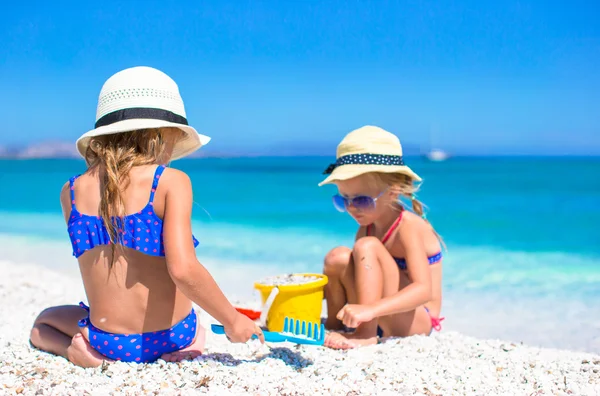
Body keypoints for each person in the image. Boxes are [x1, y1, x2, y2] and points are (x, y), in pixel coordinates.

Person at [29, 66, 264, 367]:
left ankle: (80, 355)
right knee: (198, 324)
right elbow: (184, 270)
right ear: (158, 135)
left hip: (108, 342)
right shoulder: (169, 181)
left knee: (43, 323)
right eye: (175, 137)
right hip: (173, 337)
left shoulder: (71, 191)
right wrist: (233, 320)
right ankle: (194, 342)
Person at [319, 125, 444, 349]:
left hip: (417, 319)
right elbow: (361, 276)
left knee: (367, 247)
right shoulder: (367, 226)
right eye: (343, 200)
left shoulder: (408, 227)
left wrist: (370, 311)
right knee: (337, 257)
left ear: (393, 192)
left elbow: (423, 291)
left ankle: (365, 334)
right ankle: (336, 325)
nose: (352, 209)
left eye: (361, 200)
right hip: (383, 315)